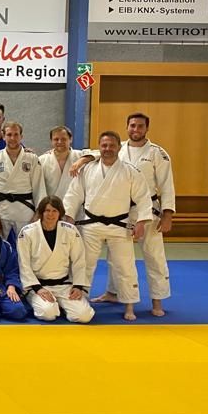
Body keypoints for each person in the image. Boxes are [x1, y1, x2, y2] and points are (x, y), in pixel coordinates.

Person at [91, 112, 175, 318]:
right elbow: (94, 154)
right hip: (121, 211)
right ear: (127, 127)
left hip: (149, 210)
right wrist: (80, 160)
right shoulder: (117, 148)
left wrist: (168, 214)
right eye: (132, 126)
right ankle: (113, 292)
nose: (135, 129)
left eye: (140, 126)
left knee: (154, 255)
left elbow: (167, 185)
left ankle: (157, 300)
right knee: (116, 255)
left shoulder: (157, 153)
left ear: (147, 128)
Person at [64, 131, 151, 321]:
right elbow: (74, 194)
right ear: (99, 147)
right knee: (85, 264)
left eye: (112, 145)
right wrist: (69, 216)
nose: (108, 149)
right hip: (91, 225)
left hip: (120, 226)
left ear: (119, 147)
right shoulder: (87, 169)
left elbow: (143, 198)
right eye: (104, 145)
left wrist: (141, 222)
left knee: (125, 266)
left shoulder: (131, 171)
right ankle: (80, 300)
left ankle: (129, 305)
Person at [17, 196, 94, 323]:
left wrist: (78, 286)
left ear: (60, 213)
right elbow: (24, 264)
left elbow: (79, 260)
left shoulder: (70, 230)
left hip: (63, 285)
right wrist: (37, 288)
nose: (51, 214)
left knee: (84, 316)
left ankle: (61, 304)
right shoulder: (27, 232)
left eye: (54, 211)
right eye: (47, 210)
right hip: (39, 285)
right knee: (48, 314)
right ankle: (50, 304)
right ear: (41, 212)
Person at [0, 121, 46, 244]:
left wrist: (38, 213)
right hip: (1, 211)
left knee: (27, 245)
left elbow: (39, 187)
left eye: (16, 134)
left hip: (25, 211)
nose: (12, 138)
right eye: (9, 135)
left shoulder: (32, 159)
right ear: (3, 136)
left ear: (21, 136)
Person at [38, 125, 85, 202]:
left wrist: (82, 160)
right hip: (52, 205)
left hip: (75, 205)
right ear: (51, 141)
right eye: (56, 139)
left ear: (70, 139)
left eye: (63, 139)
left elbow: (98, 154)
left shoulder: (80, 156)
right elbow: (39, 187)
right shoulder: (42, 160)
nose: (60, 142)